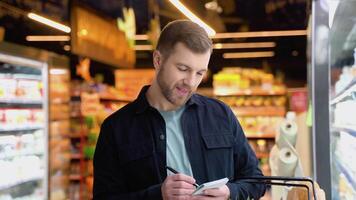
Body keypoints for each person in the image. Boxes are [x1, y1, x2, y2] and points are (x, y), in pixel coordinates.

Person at [93, 20, 266, 200]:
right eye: (183, 69)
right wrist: (158, 195)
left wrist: (229, 192)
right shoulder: (116, 128)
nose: (191, 82)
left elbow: (256, 181)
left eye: (200, 73)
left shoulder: (220, 115)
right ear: (158, 60)